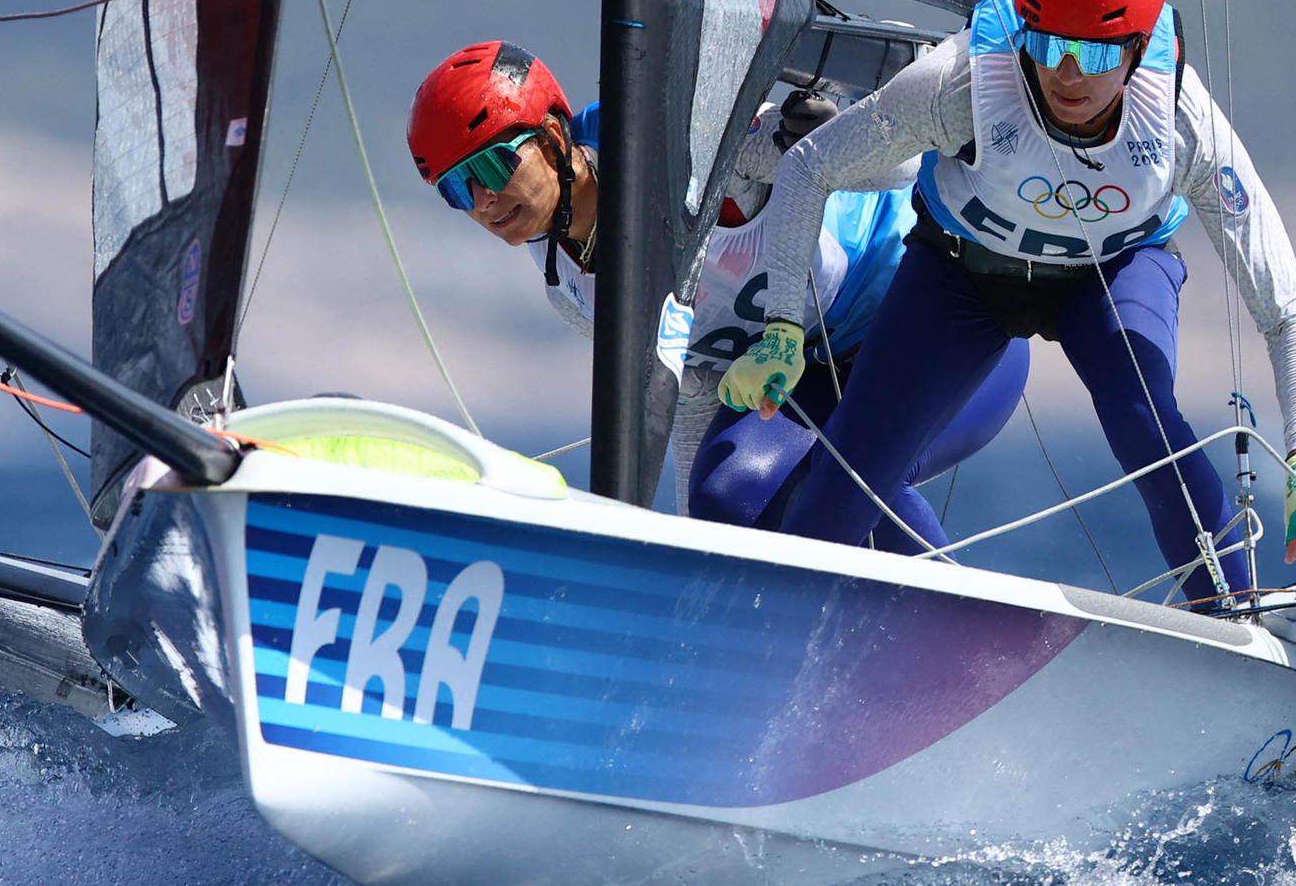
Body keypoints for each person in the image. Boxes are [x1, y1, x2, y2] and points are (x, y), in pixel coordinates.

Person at [739, 0, 1296, 604]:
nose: (1067, 72)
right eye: (1047, 44)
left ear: (1138, 50)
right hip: (962, 276)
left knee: (1145, 422)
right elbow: (807, 166)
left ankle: (1234, 617)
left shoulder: (1182, 120)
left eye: (1097, 54)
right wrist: (779, 328)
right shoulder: (958, 84)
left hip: (1111, 277)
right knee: (836, 503)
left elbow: (1286, 312)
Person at [405, 41, 1025, 538]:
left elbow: (902, 166)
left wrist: (812, 131)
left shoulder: (690, 155)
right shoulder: (569, 290)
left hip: (943, 331)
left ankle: (953, 635)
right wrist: (695, 536)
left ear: (552, 137)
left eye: (492, 166)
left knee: (845, 477)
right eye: (458, 190)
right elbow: (699, 380)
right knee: (727, 500)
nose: (484, 202)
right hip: (807, 375)